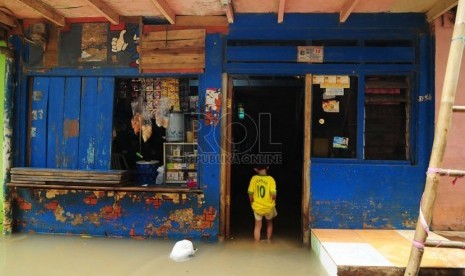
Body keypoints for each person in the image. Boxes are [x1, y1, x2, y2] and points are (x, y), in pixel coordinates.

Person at [247, 164, 277, 243]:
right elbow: (273, 194)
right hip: (269, 207)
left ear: (255, 169)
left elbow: (250, 193)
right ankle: (269, 240)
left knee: (257, 226)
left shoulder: (254, 179)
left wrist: (251, 203)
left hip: (257, 207)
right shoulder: (271, 179)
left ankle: (256, 244)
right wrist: (272, 201)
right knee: (269, 223)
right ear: (267, 167)